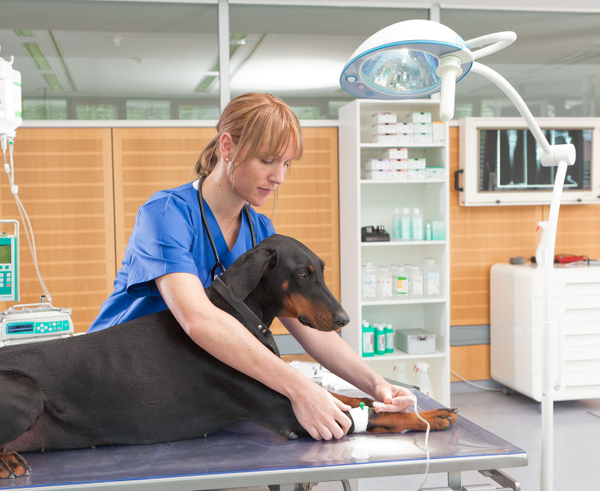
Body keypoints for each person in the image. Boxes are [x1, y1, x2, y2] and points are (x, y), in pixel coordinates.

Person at [88, 93, 416, 440]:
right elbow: (198, 320)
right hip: (116, 377)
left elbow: (308, 327)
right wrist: (299, 388)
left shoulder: (261, 233)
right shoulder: (167, 214)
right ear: (227, 146)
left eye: (287, 164)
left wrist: (379, 385)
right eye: (268, 160)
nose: (279, 178)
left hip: (190, 385)